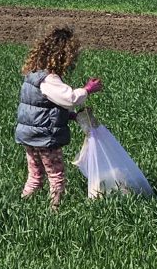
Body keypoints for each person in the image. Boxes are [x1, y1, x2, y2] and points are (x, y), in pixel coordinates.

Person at [15, 25, 102, 208]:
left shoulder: (33, 75)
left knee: (35, 175)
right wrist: (87, 89)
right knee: (56, 175)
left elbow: (42, 108)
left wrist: (68, 116)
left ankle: (23, 206)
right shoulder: (49, 79)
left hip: (29, 136)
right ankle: (55, 210)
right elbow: (70, 99)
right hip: (45, 138)